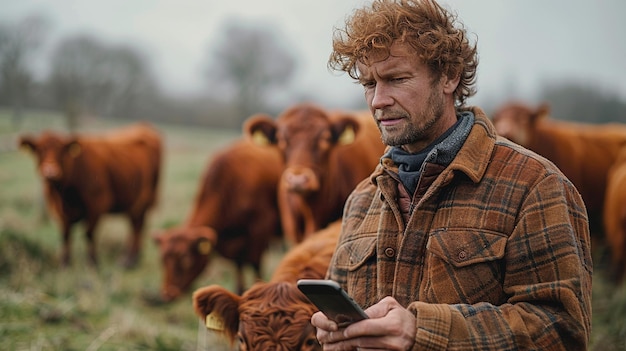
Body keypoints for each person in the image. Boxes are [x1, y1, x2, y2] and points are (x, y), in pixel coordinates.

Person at [310, 0, 592, 350]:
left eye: (396, 78)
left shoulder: (535, 186)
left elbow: (562, 331)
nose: (377, 101)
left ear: (449, 76)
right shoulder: (362, 201)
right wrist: (336, 336)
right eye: (369, 84)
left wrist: (422, 332)